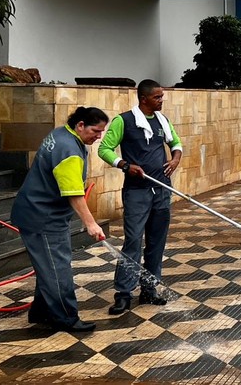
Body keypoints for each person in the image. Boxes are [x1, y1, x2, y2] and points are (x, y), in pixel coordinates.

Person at [10, 106, 109, 333]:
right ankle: (66, 318)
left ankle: (41, 312)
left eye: (102, 131)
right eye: (95, 130)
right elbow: (74, 193)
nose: (98, 136)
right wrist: (90, 223)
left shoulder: (60, 133)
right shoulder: (69, 151)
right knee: (57, 268)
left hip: (35, 210)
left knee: (47, 267)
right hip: (43, 217)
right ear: (80, 125)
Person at [99, 79, 183, 315]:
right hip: (136, 191)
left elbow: (176, 143)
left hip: (161, 189)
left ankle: (149, 289)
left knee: (157, 241)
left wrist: (175, 158)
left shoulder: (162, 121)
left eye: (162, 96)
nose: (161, 100)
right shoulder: (123, 121)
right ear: (143, 98)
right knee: (134, 240)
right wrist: (125, 165)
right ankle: (123, 294)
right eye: (157, 97)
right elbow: (104, 149)